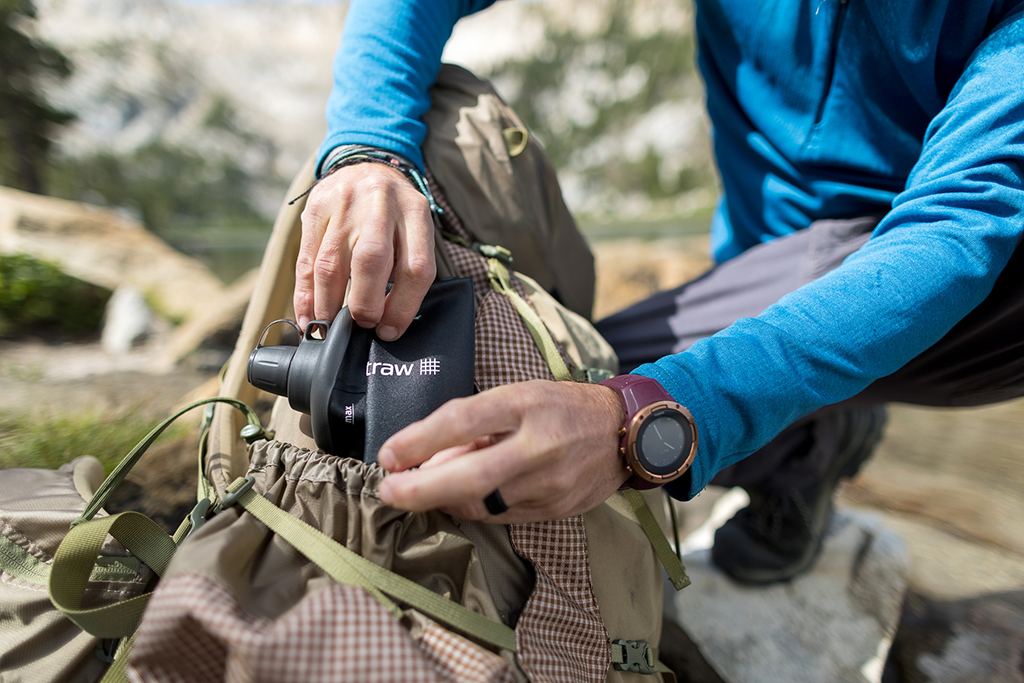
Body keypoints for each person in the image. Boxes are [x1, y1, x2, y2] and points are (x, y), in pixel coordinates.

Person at [294, 0, 1024, 583]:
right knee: (535, 409)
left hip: (986, 282)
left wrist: (640, 419)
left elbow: (958, 226)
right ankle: (813, 436)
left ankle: (804, 424)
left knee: (555, 430)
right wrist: (369, 146)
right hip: (772, 258)